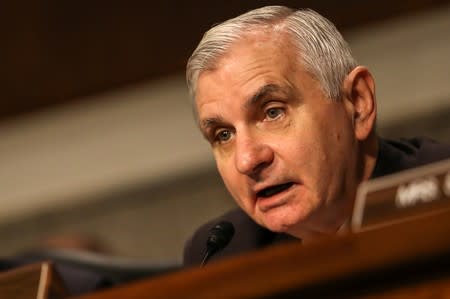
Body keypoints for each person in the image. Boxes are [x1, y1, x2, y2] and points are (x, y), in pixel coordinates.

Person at [183, 5, 450, 266]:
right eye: (224, 135)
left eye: (273, 112)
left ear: (358, 104)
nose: (247, 160)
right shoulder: (223, 255)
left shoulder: (442, 199)